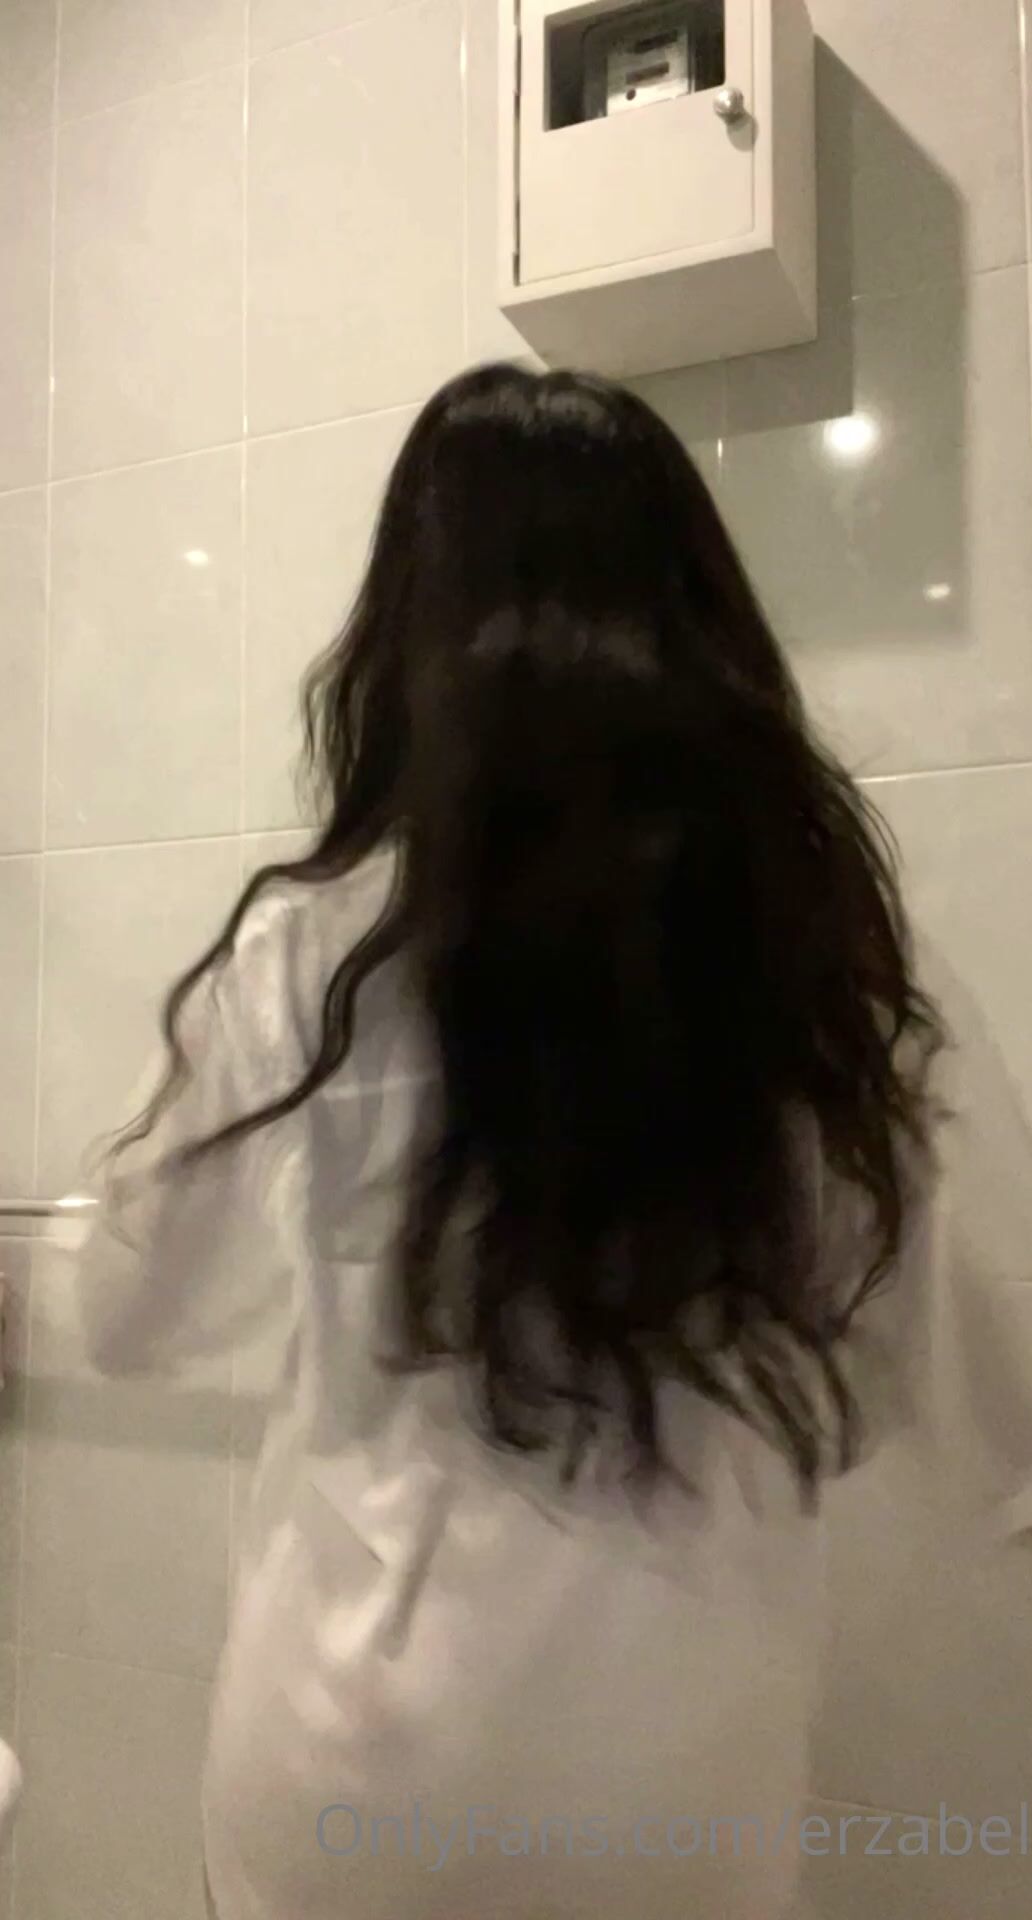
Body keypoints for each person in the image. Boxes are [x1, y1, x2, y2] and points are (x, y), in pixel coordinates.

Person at [76, 364, 950, 1919]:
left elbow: (129, 1322)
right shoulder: (813, 970)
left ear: (407, 631)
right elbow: (871, 1392)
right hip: (681, 1795)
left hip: (352, 1781)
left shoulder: (308, 952)